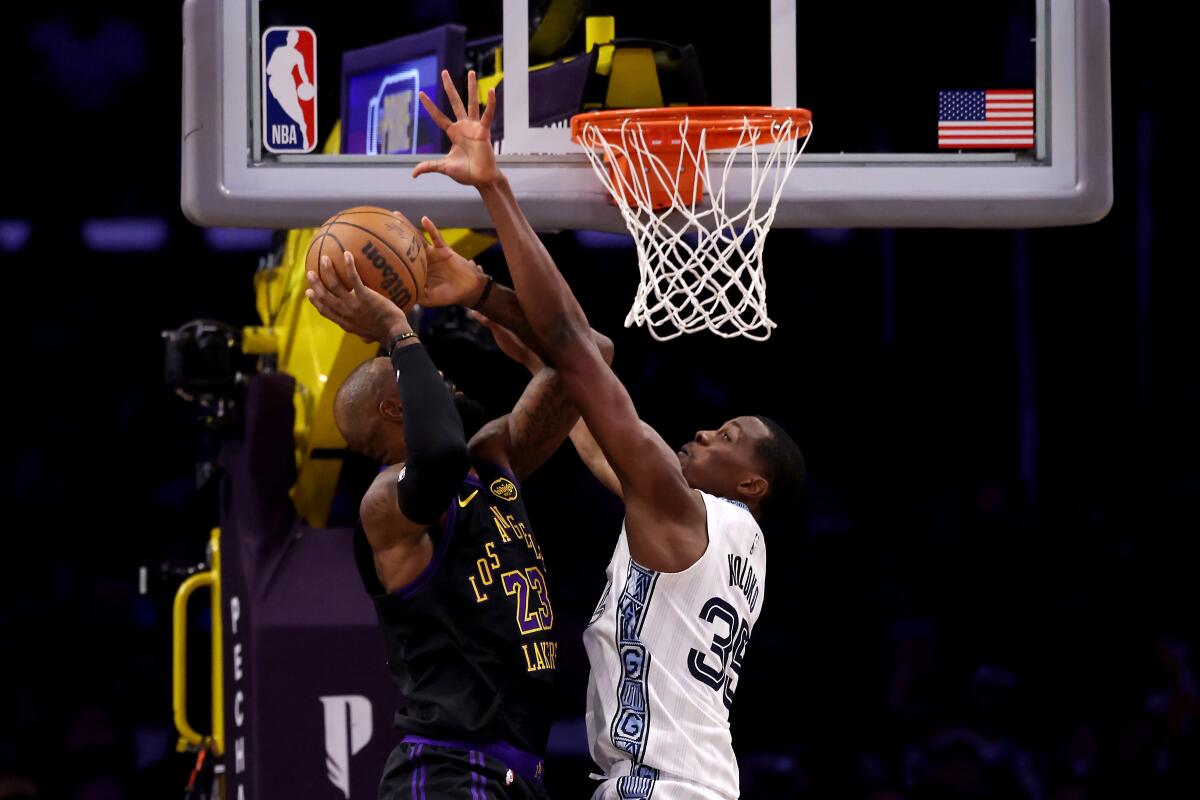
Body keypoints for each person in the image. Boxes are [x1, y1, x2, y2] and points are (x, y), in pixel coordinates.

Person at [414, 70, 806, 799]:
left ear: (754, 482)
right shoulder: (726, 535)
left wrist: (491, 205)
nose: (704, 432)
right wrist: (530, 345)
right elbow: (573, 387)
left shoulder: (679, 507)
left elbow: (574, 341)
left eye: (727, 436)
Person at [305, 223, 612, 799]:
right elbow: (440, 451)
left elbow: (590, 358)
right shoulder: (386, 504)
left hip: (517, 770)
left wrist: (482, 293)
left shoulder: (492, 460)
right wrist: (396, 329)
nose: (446, 383)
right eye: (434, 380)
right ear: (398, 408)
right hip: (449, 768)